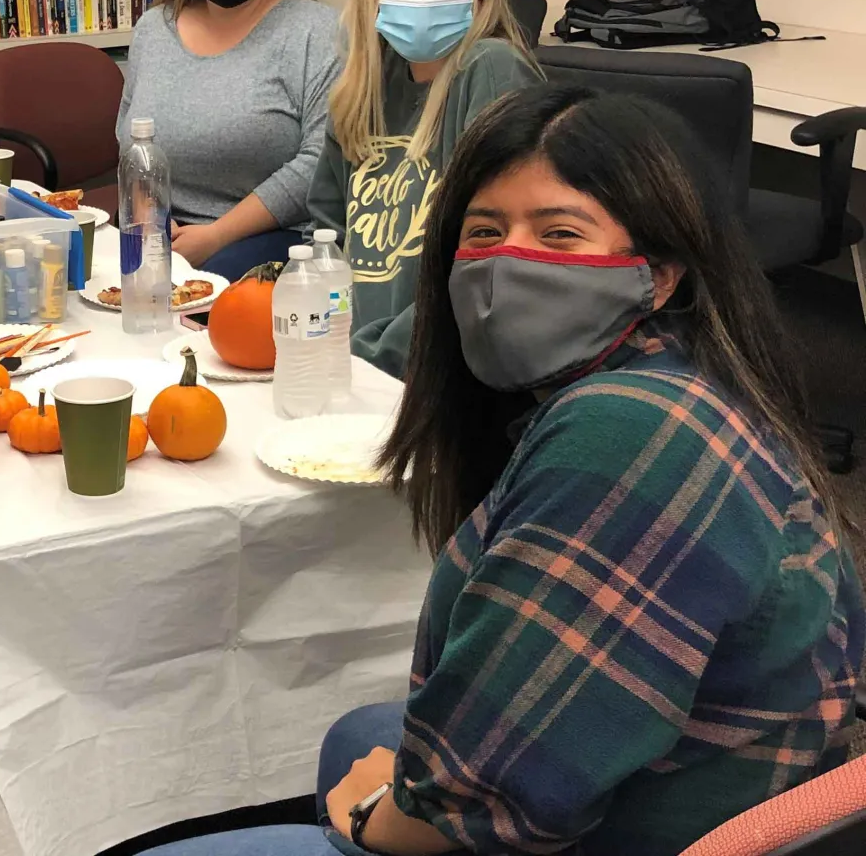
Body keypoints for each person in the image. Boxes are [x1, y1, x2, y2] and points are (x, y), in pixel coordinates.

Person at [141, 85, 864, 856]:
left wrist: (375, 814)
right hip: (703, 772)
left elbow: (482, 809)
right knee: (359, 731)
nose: (507, 263)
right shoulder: (681, 376)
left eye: (559, 233)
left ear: (659, 273)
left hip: (659, 827)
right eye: (484, 232)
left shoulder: (629, 432)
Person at [307, 0, 541, 377]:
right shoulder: (363, 84)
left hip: (434, 376)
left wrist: (365, 357)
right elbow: (325, 234)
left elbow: (490, 266)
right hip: (351, 367)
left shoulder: (492, 70)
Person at [116, 0, 340, 280]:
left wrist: (215, 236)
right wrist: (151, 227)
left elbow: (320, 161)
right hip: (160, 231)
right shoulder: (154, 28)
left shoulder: (315, 30)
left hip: (269, 237)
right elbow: (129, 137)